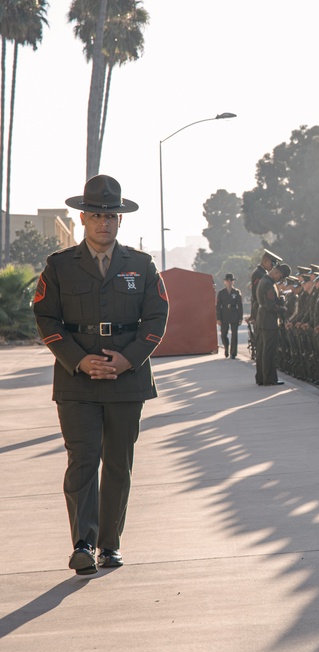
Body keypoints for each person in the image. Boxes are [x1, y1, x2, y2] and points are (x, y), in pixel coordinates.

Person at [32, 174, 169, 575]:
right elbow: (45, 316)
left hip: (127, 380)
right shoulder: (59, 267)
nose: (103, 223)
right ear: (82, 219)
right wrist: (77, 359)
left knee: (117, 464)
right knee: (82, 460)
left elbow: (157, 318)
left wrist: (128, 360)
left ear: (120, 221)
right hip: (76, 381)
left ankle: (110, 545)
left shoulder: (141, 266)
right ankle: (82, 544)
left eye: (110, 216)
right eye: (95, 215)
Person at [256, 262, 291, 386]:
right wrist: (283, 309)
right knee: (269, 351)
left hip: (263, 320)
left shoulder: (264, 281)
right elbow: (271, 306)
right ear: (277, 273)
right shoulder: (268, 284)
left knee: (262, 350)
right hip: (268, 321)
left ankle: (261, 377)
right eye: (280, 277)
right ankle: (269, 378)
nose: (279, 280)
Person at [216, 273, 243, 359]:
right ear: (224, 282)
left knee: (234, 335)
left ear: (233, 282)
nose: (229, 282)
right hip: (224, 314)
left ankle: (233, 353)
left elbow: (240, 306)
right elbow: (218, 306)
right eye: (227, 281)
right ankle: (226, 347)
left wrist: (240, 317)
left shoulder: (237, 292)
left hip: (234, 313)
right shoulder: (221, 293)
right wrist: (218, 318)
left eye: (231, 281)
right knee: (223, 334)